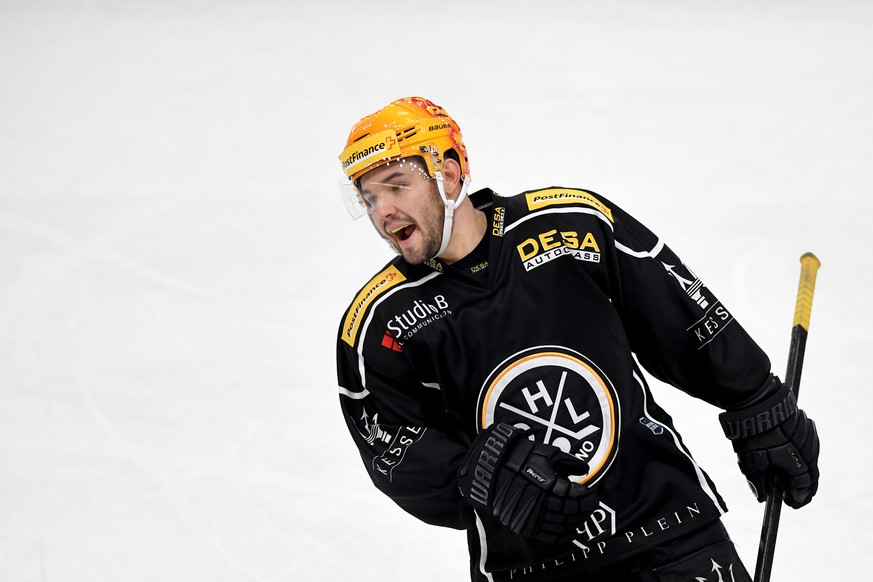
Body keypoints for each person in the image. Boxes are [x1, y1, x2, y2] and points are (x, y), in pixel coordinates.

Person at [334, 96, 820, 582]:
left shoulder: (571, 225)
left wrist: (755, 398)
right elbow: (395, 450)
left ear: (450, 173)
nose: (384, 212)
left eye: (396, 186)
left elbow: (676, 312)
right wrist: (480, 473)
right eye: (370, 198)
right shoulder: (379, 323)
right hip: (530, 567)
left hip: (668, 531)